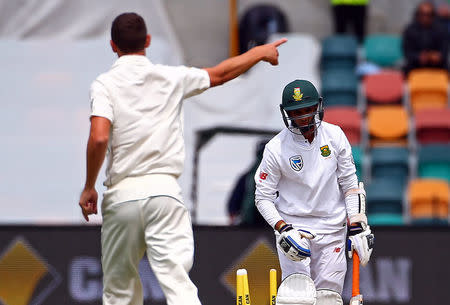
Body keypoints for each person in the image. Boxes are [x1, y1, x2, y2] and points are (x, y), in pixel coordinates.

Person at [77, 12, 286, 305]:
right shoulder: (170, 77)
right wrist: (258, 52)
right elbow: (220, 74)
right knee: (178, 285)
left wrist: (89, 186)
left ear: (113, 45)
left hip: (122, 194)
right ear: (147, 41)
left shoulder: (104, 84)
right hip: (164, 192)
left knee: (119, 291)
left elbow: (99, 137)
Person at [254, 80, 374, 304]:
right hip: (295, 232)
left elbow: (349, 183)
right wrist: (283, 229)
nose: (303, 117)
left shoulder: (335, 136)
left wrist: (357, 224)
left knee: (328, 299)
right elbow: (262, 197)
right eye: (296, 112)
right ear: (286, 114)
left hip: (332, 228)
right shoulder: (275, 148)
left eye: (307, 110)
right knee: (297, 299)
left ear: (317, 107)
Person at [227, 139, 269, 226]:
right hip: (269, 226)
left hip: (249, 226)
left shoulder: (246, 177)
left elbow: (232, 206)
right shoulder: (247, 178)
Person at [402, 1, 448, 75]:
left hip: (438, 66)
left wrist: (436, 56)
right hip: (416, 66)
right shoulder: (410, 30)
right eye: (422, 14)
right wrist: (418, 57)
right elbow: (407, 52)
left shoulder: (442, 30)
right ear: (418, 14)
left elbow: (444, 51)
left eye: (429, 14)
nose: (425, 17)